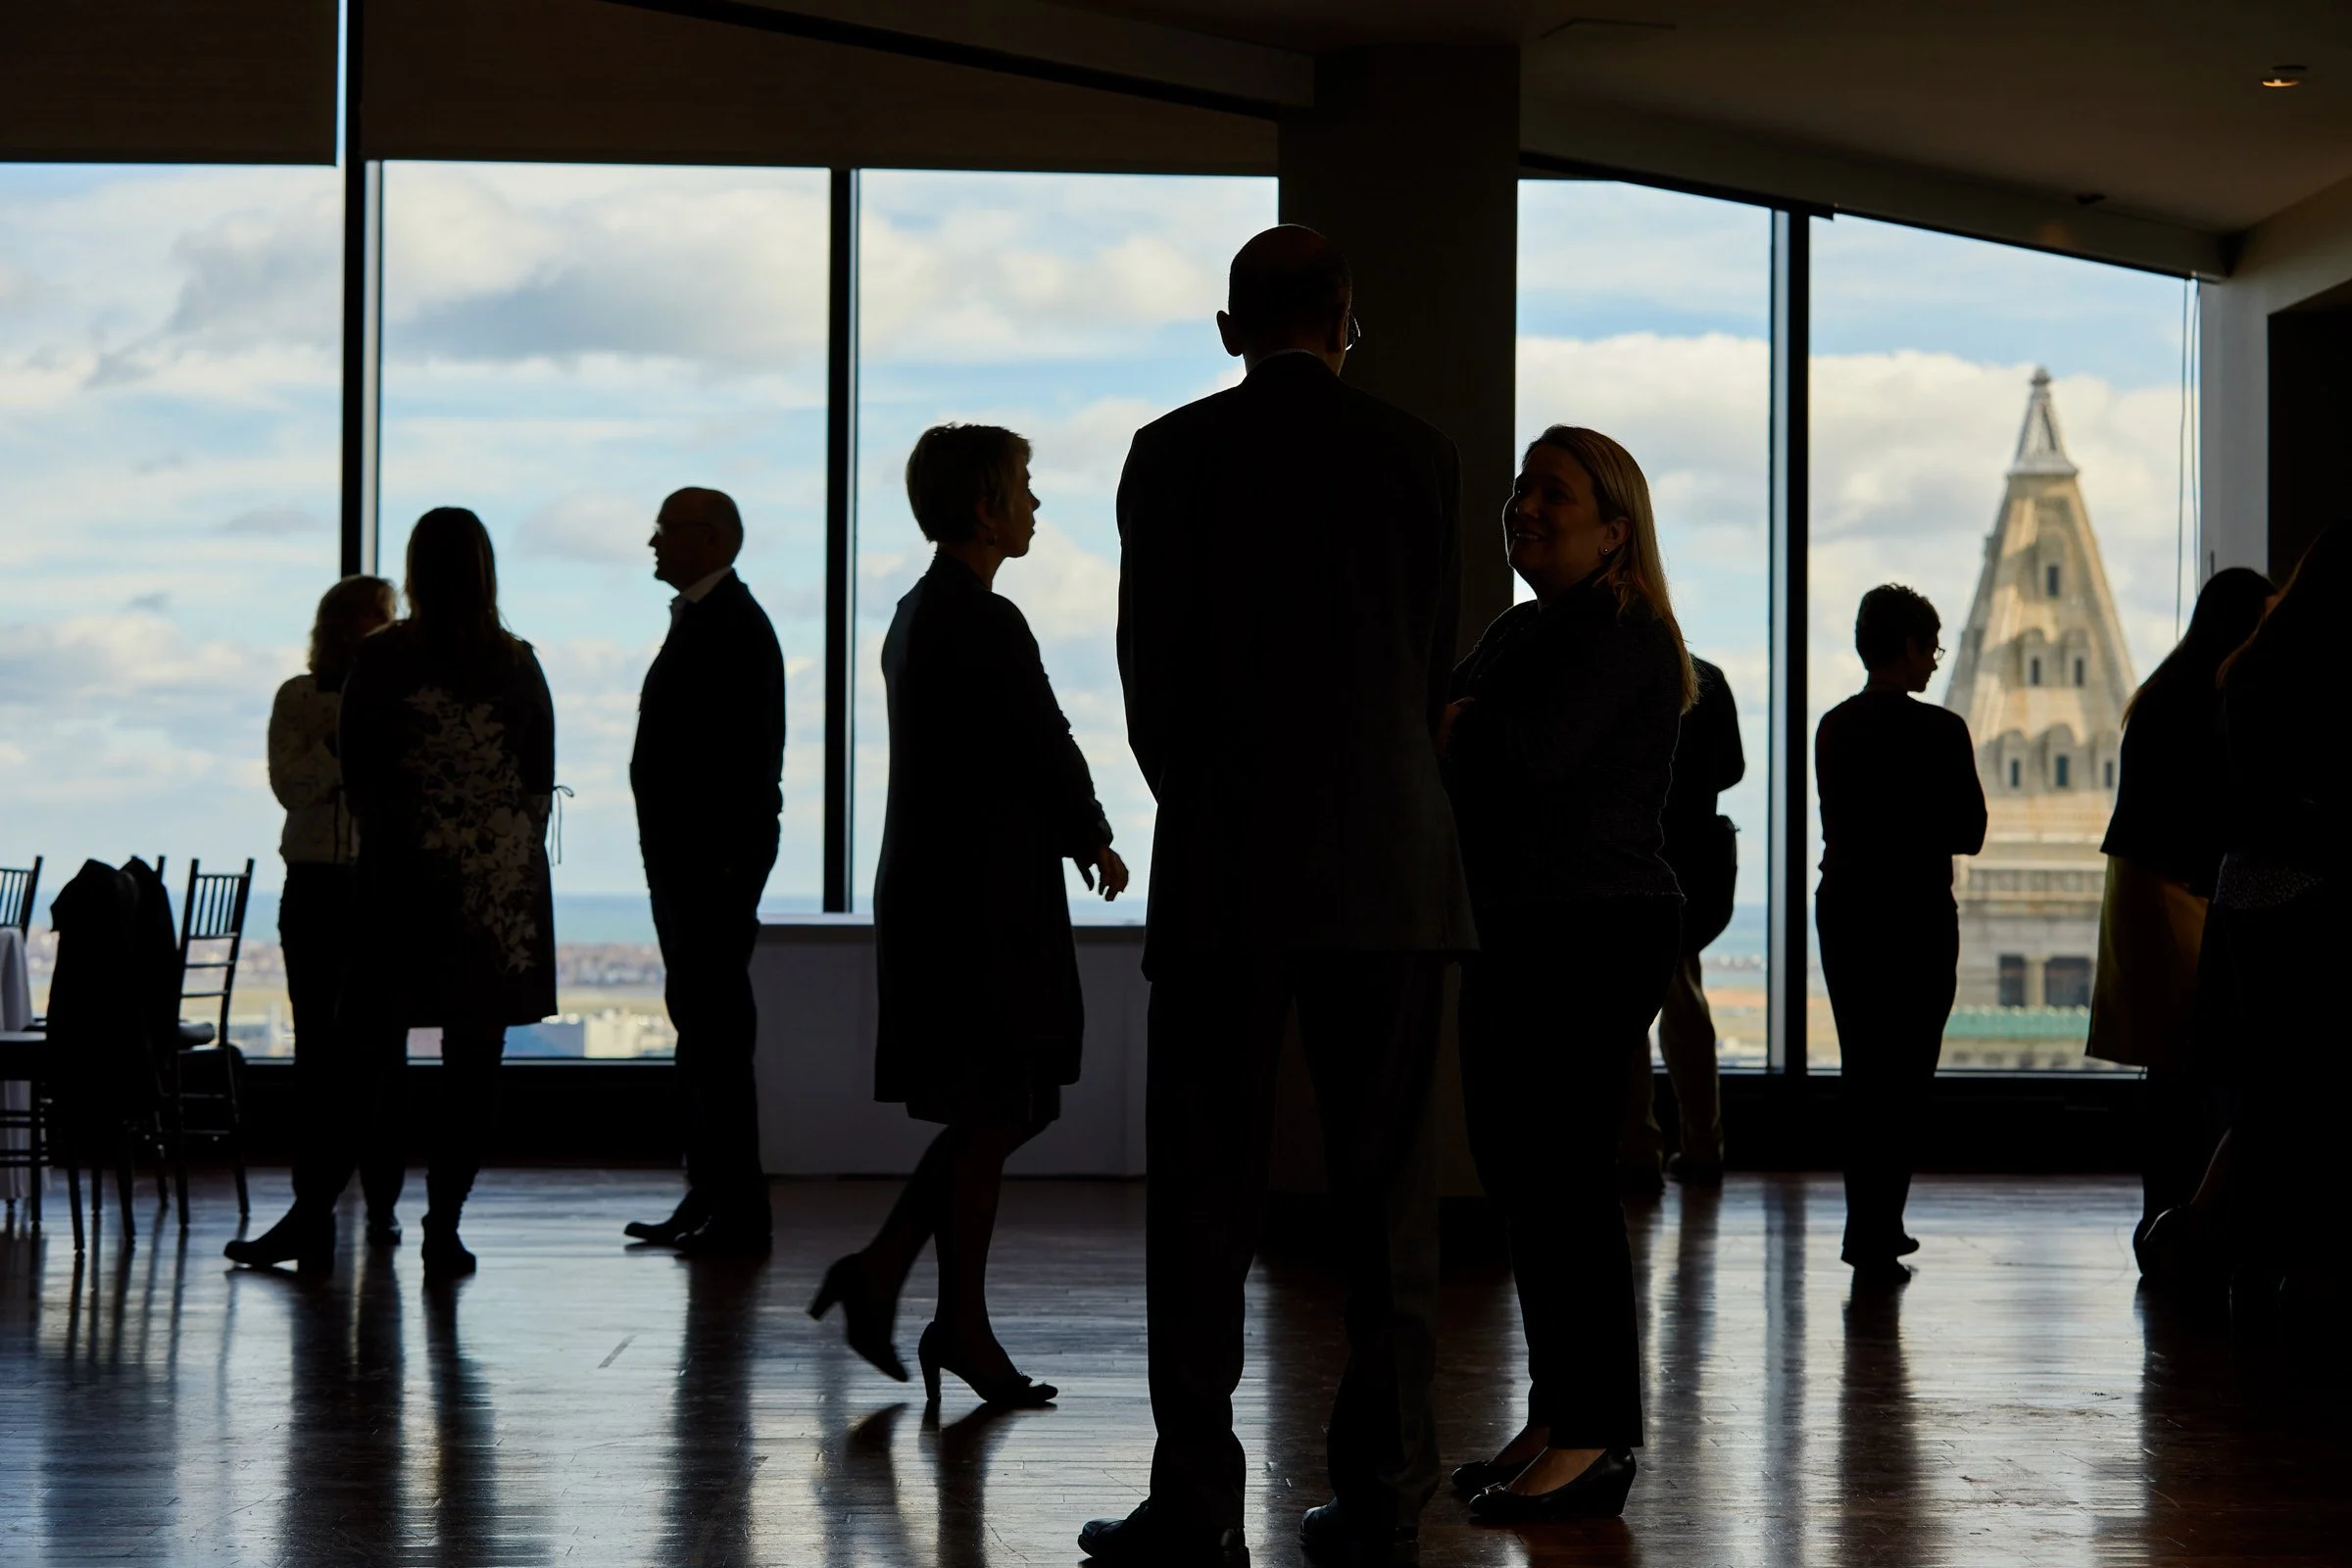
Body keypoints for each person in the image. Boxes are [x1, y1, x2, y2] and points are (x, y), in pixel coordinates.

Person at [1079, 226, 1476, 1568]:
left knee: (1201, 1195)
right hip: (1394, 866)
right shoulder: (1420, 457)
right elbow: (1429, 671)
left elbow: (1152, 682)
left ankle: (1196, 1501)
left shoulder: (1173, 454)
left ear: (1227, 327)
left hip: (1228, 862)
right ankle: (1385, 1501)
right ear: (1348, 323)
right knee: (1389, 1202)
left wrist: (1203, 798)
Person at [810, 424, 1125, 1408]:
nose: (1035, 505)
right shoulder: (985, 621)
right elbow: (1040, 737)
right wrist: (1095, 833)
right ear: (986, 506)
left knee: (998, 1106)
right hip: (982, 904)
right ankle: (941, 1311)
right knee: (1006, 1104)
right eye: (1024, 488)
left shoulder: (920, 614)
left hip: (945, 894)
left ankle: (920, 1294)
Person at [1443, 426, 1693, 1525]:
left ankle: (1593, 1436)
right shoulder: (1534, 627)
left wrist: (1462, 725)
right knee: (1529, 1179)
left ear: (1614, 530)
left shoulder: (1618, 633)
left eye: (1553, 494)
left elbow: (1512, 756)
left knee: (1563, 1184)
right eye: (1520, 490)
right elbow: (1461, 735)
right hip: (1530, 926)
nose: (1525, 508)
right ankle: (1561, 1413)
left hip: (1584, 932)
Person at [233, 509, 557, 1281]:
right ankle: (443, 1227)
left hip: (401, 887)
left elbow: (364, 781)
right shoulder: (519, 662)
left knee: (356, 1064)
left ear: (414, 570)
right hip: (493, 894)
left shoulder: (384, 659)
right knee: (473, 1066)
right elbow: (537, 781)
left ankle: (313, 1216)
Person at [2172, 525, 2347, 1303]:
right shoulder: (2315, 673)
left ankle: (2225, 1241)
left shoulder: (2249, 671)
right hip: (2303, 897)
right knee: (2304, 1088)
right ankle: (2285, 1255)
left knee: (2276, 1086)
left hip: (2249, 895)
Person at [2085, 567, 2272, 1263]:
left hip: (2157, 885)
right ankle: (2182, 1222)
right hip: (2175, 888)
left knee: (2177, 1070)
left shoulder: (2170, 693)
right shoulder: (2201, 700)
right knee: (2190, 1066)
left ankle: (2173, 1219)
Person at [621, 487, 787, 1256]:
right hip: (695, 867)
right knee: (703, 1036)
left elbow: (743, 762)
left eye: (666, 530)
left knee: (716, 1039)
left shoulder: (732, 627)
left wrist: (721, 865)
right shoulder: (714, 619)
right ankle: (712, 1194)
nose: (652, 543)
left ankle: (737, 1210)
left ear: (711, 537)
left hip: (708, 870)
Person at [1814, 584, 1986, 1285]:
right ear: (1911, 646)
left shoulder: (1833, 726)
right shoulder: (1943, 731)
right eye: (1932, 648)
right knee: (1908, 1073)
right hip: (1917, 912)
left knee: (1863, 1068)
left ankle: (1867, 1227)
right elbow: (1969, 833)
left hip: (1848, 905)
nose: (1935, 662)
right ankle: (1883, 1227)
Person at [271, 575, 402, 1246]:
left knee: (384, 1049)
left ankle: (382, 1202)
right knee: (318, 1049)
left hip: (378, 885)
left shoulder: (403, 697)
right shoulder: (298, 698)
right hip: (317, 885)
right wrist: (345, 737)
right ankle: (312, 1203)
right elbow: (291, 789)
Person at [1619, 653, 1744, 1188]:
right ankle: (1703, 1141)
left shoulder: (1615, 671)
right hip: (1693, 865)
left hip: (1629, 859)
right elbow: (1734, 768)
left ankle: (1638, 1148)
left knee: (1625, 1011)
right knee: (1686, 1001)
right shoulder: (1706, 677)